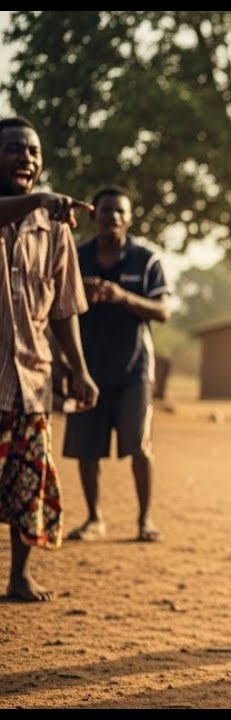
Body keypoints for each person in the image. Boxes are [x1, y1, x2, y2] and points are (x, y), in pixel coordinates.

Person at [0, 116, 100, 602]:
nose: (27, 159)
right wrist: (40, 199)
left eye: (35, 152)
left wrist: (78, 368)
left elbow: (63, 309)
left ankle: (19, 576)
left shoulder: (54, 229)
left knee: (29, 482)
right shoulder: (38, 208)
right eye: (16, 149)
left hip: (32, 378)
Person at [63, 186, 170, 544]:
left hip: (134, 370)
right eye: (106, 211)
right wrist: (86, 296)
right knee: (86, 448)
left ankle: (145, 520)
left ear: (130, 218)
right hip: (87, 367)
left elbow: (163, 311)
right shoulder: (77, 258)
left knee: (139, 446)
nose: (112, 217)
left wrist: (122, 296)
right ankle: (94, 518)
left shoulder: (146, 260)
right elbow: (59, 306)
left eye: (120, 212)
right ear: (94, 216)